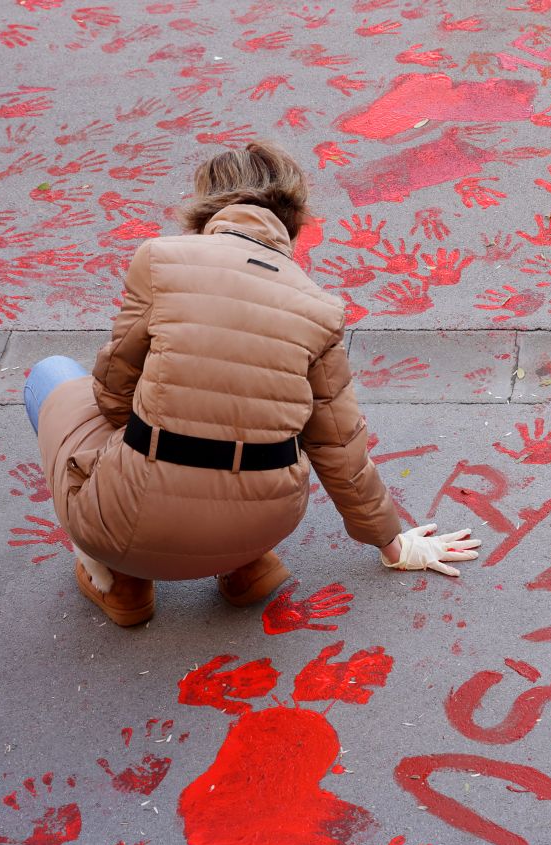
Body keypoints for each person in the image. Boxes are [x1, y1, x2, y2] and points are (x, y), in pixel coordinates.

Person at [26, 142, 478, 627]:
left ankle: (121, 583)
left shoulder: (160, 260)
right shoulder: (319, 307)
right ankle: (246, 566)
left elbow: (113, 393)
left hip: (131, 523)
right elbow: (339, 448)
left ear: (205, 209)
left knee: (51, 376)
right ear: (292, 221)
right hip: (262, 524)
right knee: (251, 426)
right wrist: (395, 544)